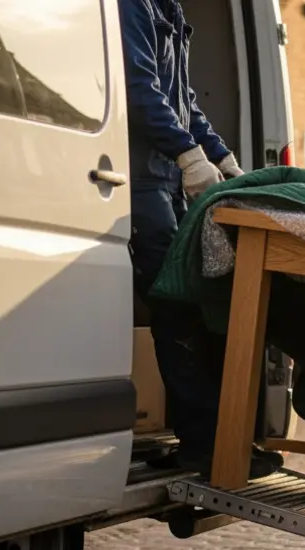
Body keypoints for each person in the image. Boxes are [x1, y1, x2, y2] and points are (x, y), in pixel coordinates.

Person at [120, 0, 281, 479]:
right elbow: (138, 90)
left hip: (164, 178)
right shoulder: (132, 5)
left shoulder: (167, 8)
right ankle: (206, 444)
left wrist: (224, 160)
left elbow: (183, 101)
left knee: (193, 306)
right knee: (177, 307)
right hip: (139, 178)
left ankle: (219, 439)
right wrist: (189, 156)